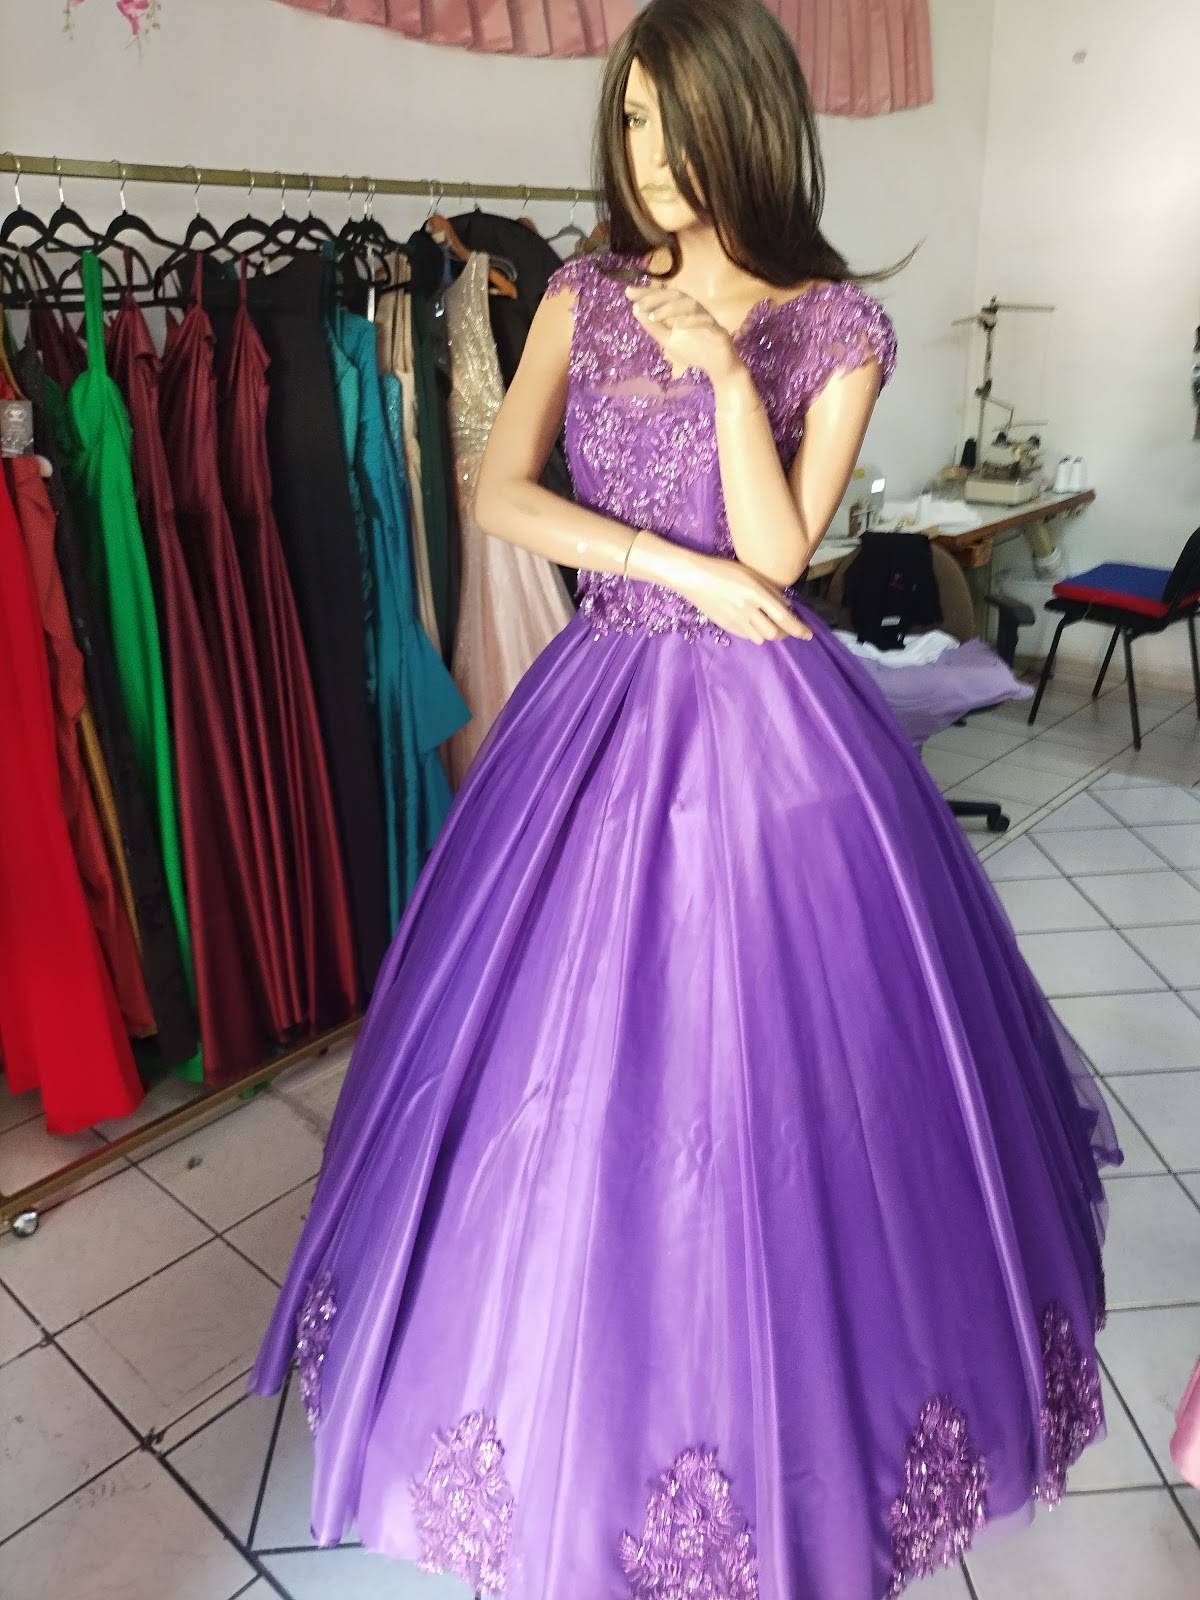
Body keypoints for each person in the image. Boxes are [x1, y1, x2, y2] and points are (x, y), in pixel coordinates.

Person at [250, 3, 1121, 1594]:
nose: (646, 155)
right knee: (568, 1058)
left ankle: (791, 1413)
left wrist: (725, 373)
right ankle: (576, 1404)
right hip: (602, 699)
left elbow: (778, 553)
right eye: (632, 120)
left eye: (674, 121)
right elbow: (500, 493)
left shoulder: (835, 326)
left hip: (772, 734)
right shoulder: (582, 294)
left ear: (750, 120)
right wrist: (663, 567)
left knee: (780, 1075)